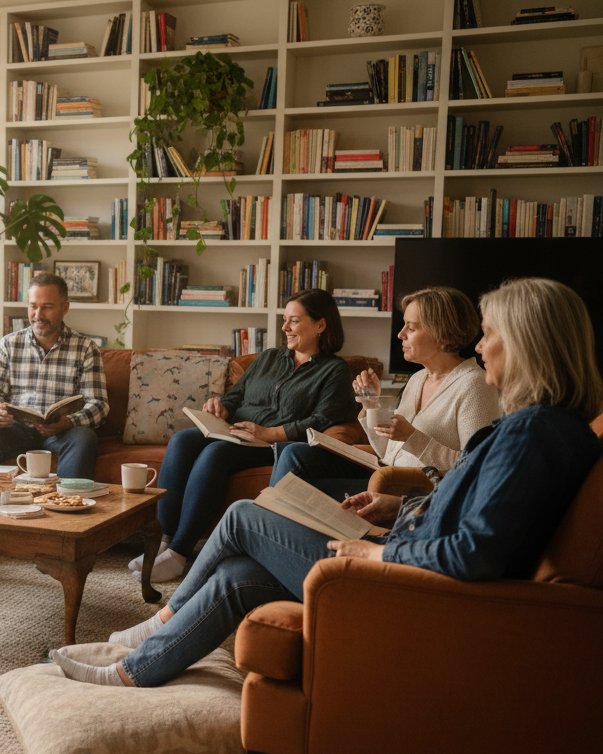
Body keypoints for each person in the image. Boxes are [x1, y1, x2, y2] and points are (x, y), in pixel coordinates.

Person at [51, 278, 603, 688]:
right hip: (403, 546)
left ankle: (152, 627)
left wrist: (371, 556)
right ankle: (135, 668)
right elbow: (473, 507)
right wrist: (397, 503)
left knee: (244, 517)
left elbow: (474, 553)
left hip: (404, 587)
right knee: (240, 574)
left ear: (527, 342)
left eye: (489, 336)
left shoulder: (532, 433)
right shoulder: (548, 429)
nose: (480, 347)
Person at [132, 288, 355, 583]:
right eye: (285, 320)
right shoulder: (269, 358)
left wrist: (270, 432)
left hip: (272, 444)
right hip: (235, 431)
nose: (285, 328)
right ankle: (161, 542)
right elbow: (235, 397)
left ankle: (178, 554)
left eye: (294, 321)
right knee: (182, 440)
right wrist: (220, 406)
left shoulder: (335, 371)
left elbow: (325, 419)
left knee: (216, 454)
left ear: (321, 324)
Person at [270, 286, 503, 498]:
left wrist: (412, 437)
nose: (400, 334)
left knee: (299, 493)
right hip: (383, 472)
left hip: (412, 489)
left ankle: (266, 521)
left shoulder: (474, 386)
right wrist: (371, 405)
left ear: (441, 333)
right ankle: (268, 517)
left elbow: (475, 465)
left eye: (411, 328)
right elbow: (387, 452)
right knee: (294, 453)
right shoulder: (418, 379)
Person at [0, 271, 109, 566]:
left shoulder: (86, 348)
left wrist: (69, 422)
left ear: (64, 308)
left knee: (85, 438)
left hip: (63, 430)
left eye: (47, 307)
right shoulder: (8, 345)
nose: (38, 314)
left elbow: (99, 405)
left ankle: (63, 534)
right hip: (17, 428)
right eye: (33, 306)